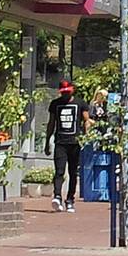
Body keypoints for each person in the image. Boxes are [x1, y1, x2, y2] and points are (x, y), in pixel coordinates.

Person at [45, 84, 87, 213]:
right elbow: (51, 123)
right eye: (63, 93)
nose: (65, 95)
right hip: (60, 143)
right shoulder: (55, 104)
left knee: (73, 172)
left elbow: (87, 120)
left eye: (67, 92)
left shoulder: (80, 103)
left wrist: (85, 136)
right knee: (59, 171)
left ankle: (70, 200)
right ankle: (57, 196)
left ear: (72, 90)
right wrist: (47, 141)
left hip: (75, 143)